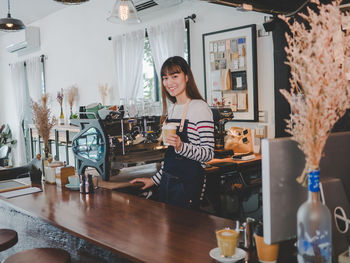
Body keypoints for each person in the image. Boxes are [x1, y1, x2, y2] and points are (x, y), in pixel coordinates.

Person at [130, 56, 214, 209]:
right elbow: (171, 160)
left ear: (187, 77)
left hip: (189, 186)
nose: (169, 83)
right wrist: (154, 180)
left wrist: (181, 146)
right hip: (168, 185)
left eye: (175, 76)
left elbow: (208, 154)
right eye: (165, 78)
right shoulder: (173, 109)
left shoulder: (200, 108)